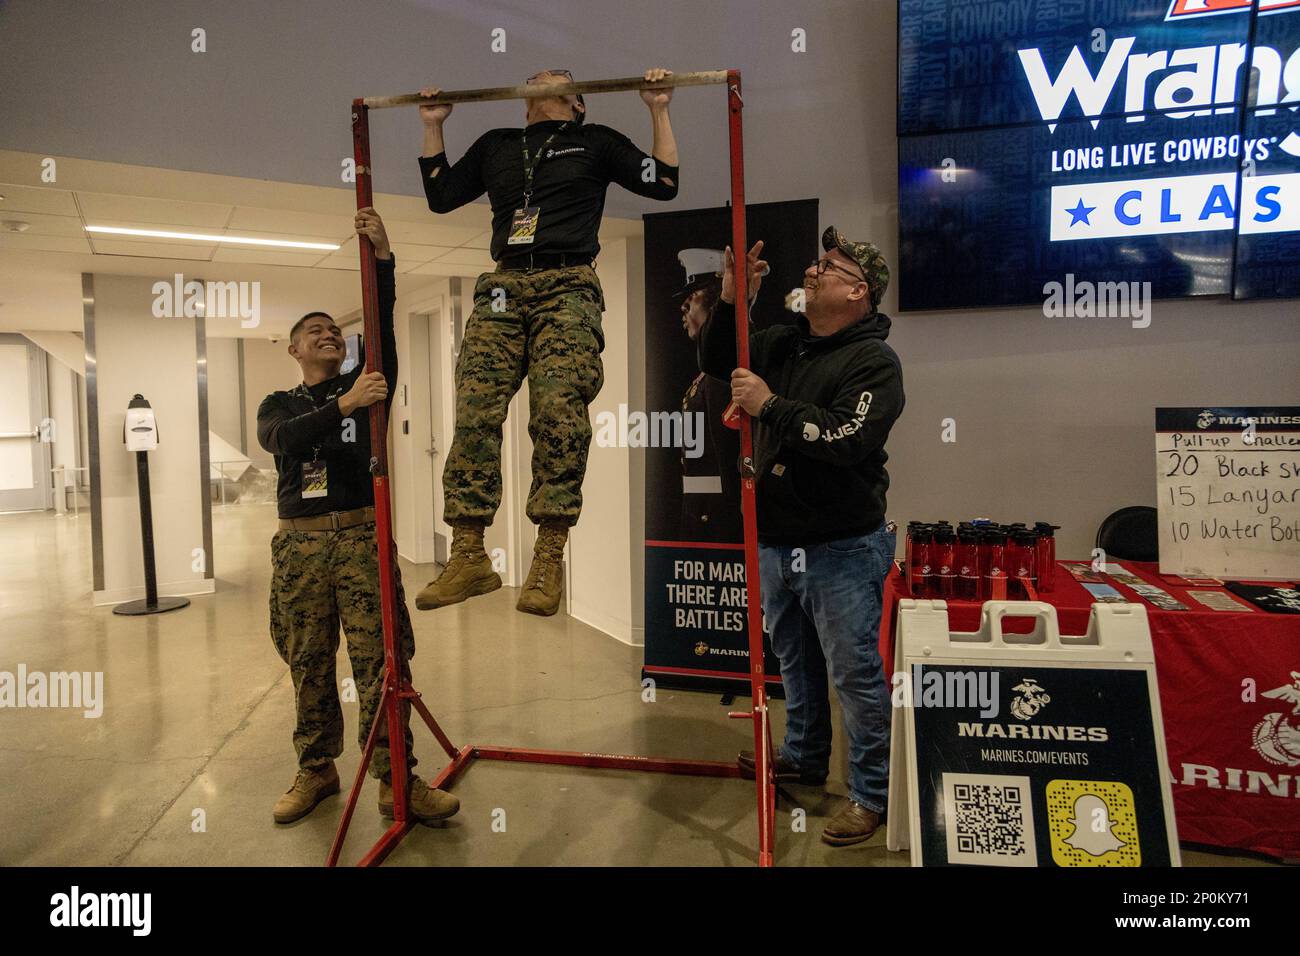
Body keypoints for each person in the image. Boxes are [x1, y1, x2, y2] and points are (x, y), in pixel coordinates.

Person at [414, 67, 680, 616]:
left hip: (568, 283)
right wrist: (434, 125)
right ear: (523, 101)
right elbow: (440, 196)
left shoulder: (596, 140)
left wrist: (657, 108)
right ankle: (469, 555)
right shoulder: (498, 146)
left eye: (558, 78)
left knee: (558, 408)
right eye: (533, 78)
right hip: (505, 284)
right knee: (473, 410)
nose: (543, 80)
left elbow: (665, 182)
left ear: (579, 103)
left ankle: (549, 553)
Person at [698, 228, 904, 846]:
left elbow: (847, 439)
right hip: (776, 537)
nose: (812, 272)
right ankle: (803, 756)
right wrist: (734, 299)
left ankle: (873, 794)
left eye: (829, 266)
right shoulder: (785, 340)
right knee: (795, 663)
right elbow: (715, 361)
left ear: (858, 291)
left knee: (857, 677)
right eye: (815, 263)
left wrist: (771, 408)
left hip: (842, 546)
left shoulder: (874, 363)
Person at [257, 207, 459, 826]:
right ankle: (316, 769)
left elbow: (383, 331)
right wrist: (343, 402)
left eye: (333, 331)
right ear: (294, 349)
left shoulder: (368, 383)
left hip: (361, 540)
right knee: (309, 661)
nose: (327, 335)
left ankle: (398, 779)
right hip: (302, 548)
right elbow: (280, 441)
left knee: (381, 661)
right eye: (313, 331)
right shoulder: (280, 403)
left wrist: (384, 260)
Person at [674, 248, 743, 541]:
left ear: (716, 302)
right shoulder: (705, 372)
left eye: (693, 298)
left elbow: (728, 449)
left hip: (717, 515)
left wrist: (722, 512)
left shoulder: (723, 371)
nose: (684, 308)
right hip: (701, 510)